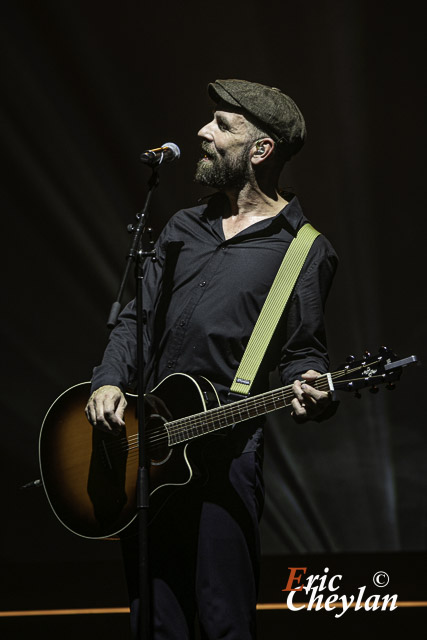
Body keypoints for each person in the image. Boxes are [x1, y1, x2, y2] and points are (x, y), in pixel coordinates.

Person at [85, 79, 338, 639]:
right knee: (155, 621)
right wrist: (108, 379)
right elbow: (135, 319)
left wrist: (313, 388)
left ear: (260, 149)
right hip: (150, 445)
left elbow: (302, 352)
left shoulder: (304, 249)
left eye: (223, 126)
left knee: (225, 620)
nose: (203, 133)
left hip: (226, 450)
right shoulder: (182, 227)